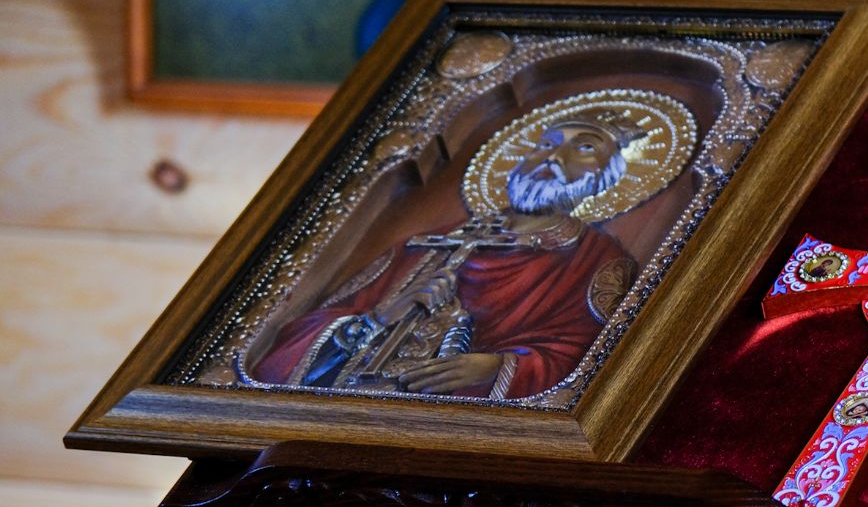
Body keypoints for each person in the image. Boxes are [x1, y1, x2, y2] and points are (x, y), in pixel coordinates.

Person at [252, 91, 692, 399]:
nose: (553, 157)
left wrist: (495, 369)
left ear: (607, 177)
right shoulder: (429, 243)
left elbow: (591, 366)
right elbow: (287, 349)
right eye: (546, 144)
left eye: (584, 148)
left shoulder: (597, 262)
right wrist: (374, 319)